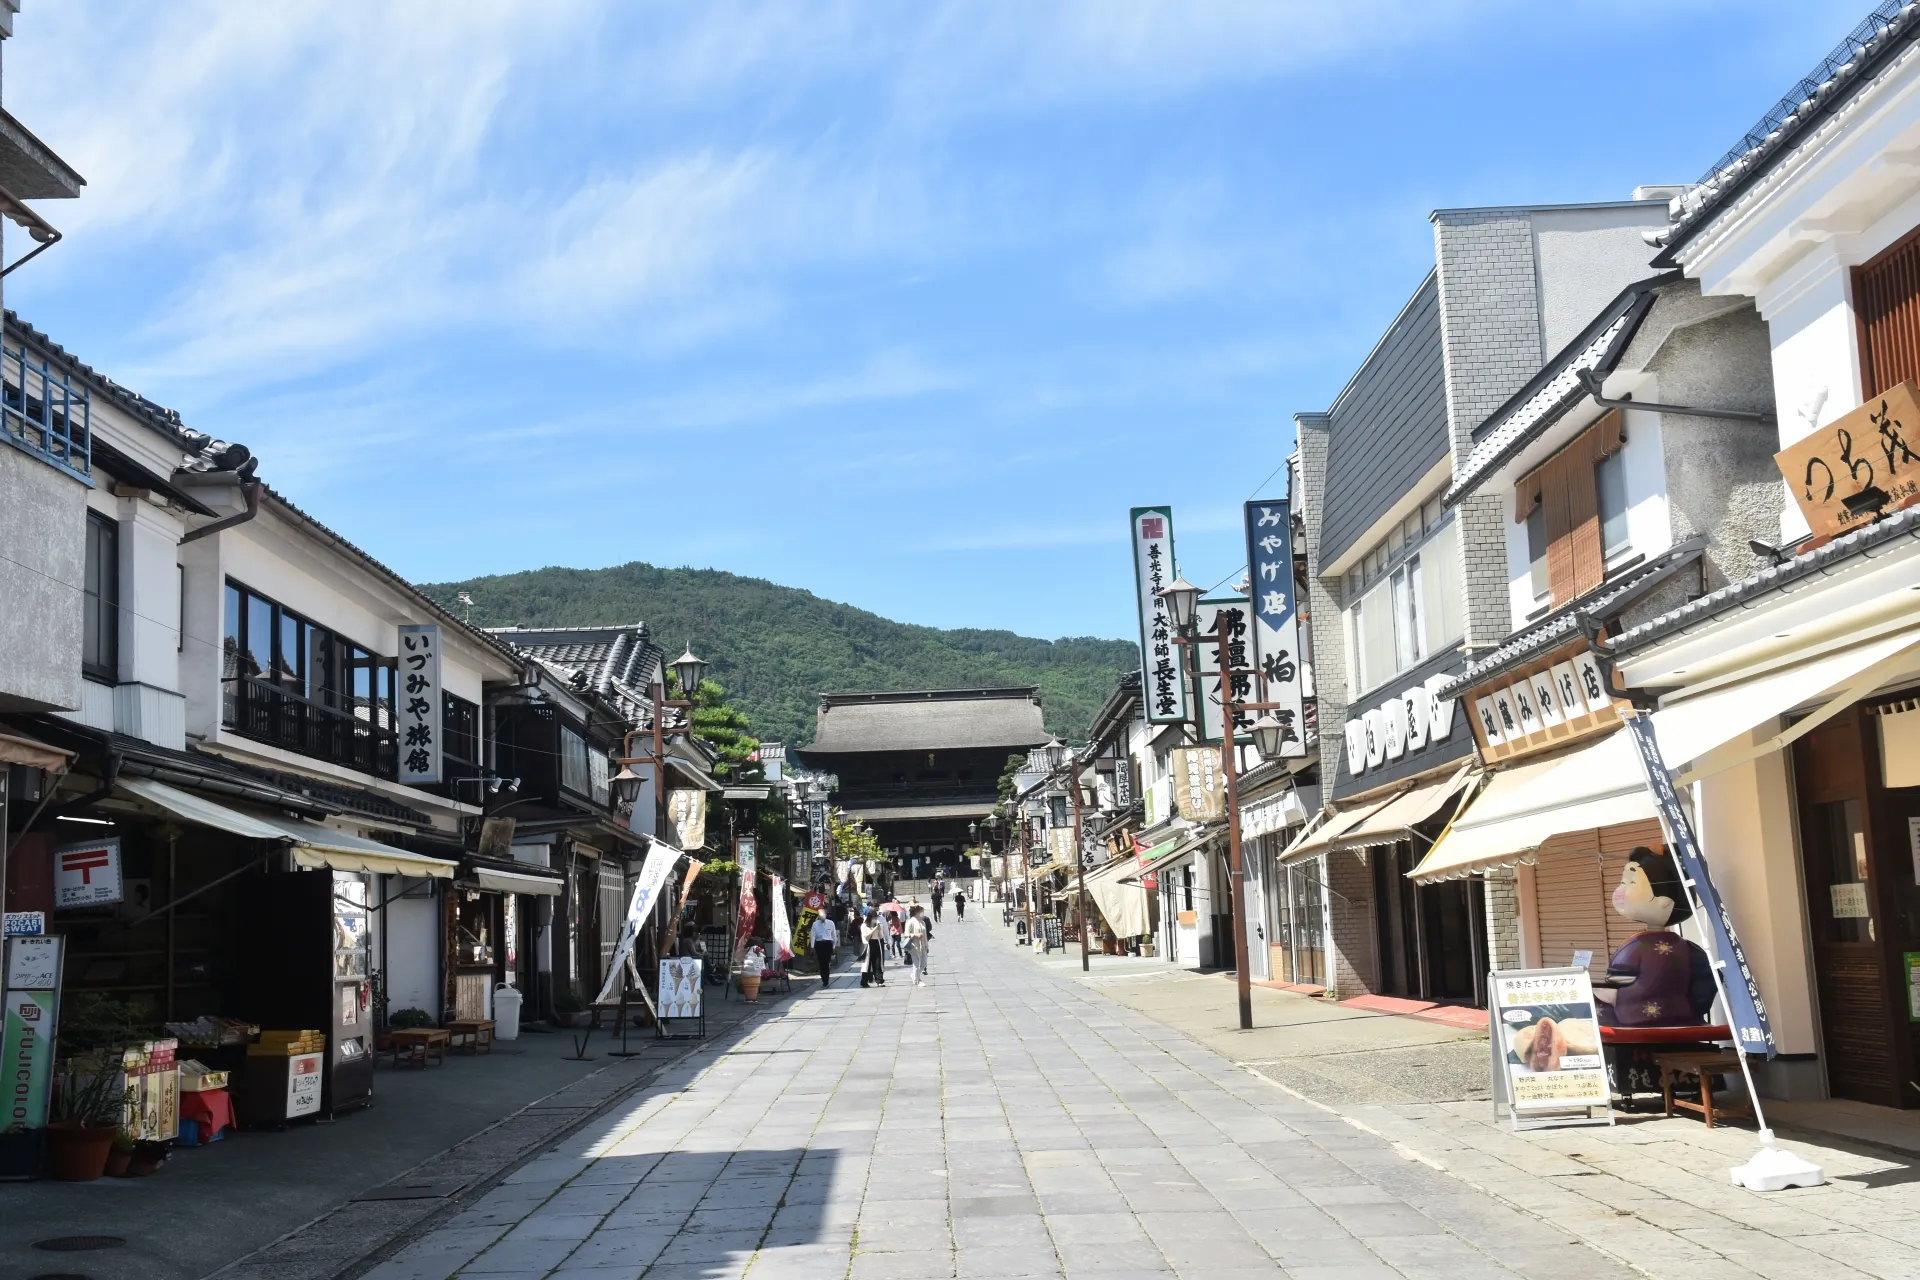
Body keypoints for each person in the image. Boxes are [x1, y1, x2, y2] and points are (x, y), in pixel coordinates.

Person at [809, 912, 839, 988]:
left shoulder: (830, 923)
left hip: (828, 944)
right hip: (819, 944)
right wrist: (812, 946)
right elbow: (813, 935)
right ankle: (823, 978)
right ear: (818, 917)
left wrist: (834, 946)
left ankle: (826, 979)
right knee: (821, 962)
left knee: (826, 962)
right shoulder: (815, 924)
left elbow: (834, 935)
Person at [905, 904, 932, 986]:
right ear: (916, 912)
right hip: (914, 945)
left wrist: (927, 946)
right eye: (920, 911)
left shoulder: (922, 922)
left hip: (923, 945)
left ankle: (914, 975)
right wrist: (916, 935)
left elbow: (925, 935)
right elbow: (906, 934)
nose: (921, 912)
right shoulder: (910, 922)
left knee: (924, 964)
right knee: (916, 964)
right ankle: (917, 980)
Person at [861, 910, 886, 987]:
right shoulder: (864, 925)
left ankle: (879, 980)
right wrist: (874, 929)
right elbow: (866, 936)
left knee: (878, 963)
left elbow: (881, 936)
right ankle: (864, 981)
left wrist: (879, 930)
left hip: (877, 943)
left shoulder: (877, 924)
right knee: (867, 964)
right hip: (868, 945)